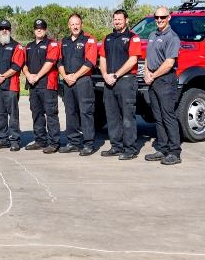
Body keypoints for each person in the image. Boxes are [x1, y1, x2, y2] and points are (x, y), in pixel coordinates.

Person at [99, 9, 142, 160]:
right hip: (109, 82)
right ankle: (116, 146)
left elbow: (133, 60)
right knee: (112, 116)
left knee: (127, 116)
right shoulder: (107, 38)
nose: (117, 22)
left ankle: (130, 149)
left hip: (126, 81)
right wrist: (105, 75)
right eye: (115, 19)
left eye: (120, 19)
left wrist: (116, 75)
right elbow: (102, 59)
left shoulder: (133, 37)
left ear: (126, 20)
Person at [143, 6, 183, 165]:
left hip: (165, 80)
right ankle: (162, 148)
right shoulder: (153, 35)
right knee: (158, 117)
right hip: (152, 79)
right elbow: (148, 57)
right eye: (157, 17)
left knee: (168, 116)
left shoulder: (172, 37)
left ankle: (175, 152)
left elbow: (169, 63)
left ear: (169, 18)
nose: (159, 20)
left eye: (163, 17)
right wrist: (146, 72)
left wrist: (153, 75)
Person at [58, 13, 101, 155]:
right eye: (72, 24)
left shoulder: (89, 40)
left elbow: (90, 63)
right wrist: (65, 76)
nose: (75, 26)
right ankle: (73, 142)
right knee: (70, 112)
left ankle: (88, 143)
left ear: (81, 24)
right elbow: (60, 62)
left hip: (83, 81)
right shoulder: (64, 41)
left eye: (77, 24)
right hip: (68, 82)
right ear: (68, 26)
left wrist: (75, 76)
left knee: (86, 112)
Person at [23, 18, 62, 153]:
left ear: (45, 29)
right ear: (34, 30)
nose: (39, 30)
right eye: (36, 28)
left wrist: (37, 76)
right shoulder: (28, 46)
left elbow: (50, 63)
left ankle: (54, 142)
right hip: (33, 85)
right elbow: (24, 64)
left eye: (41, 28)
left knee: (51, 114)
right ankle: (40, 140)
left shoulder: (52, 44)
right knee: (36, 114)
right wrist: (28, 75)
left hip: (47, 85)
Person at [0, 20, 24, 151]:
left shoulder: (17, 47)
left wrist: (2, 76)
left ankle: (15, 140)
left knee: (13, 115)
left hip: (11, 86)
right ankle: (2, 139)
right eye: (2, 28)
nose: (4, 31)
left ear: (10, 30)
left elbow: (17, 65)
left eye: (6, 29)